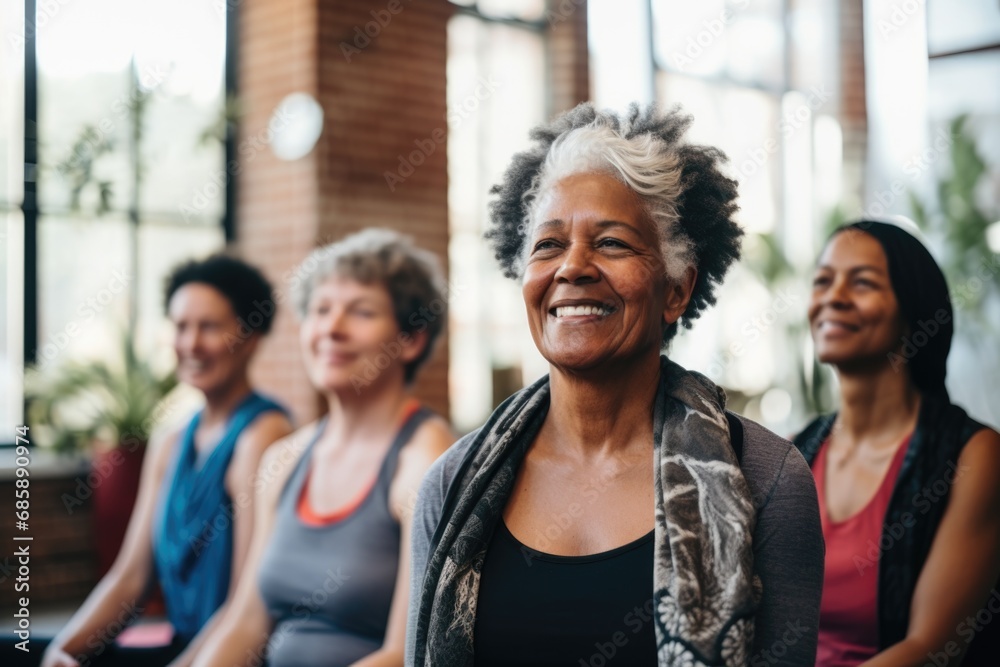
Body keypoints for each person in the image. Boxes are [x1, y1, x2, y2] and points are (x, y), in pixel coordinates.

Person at [406, 103, 824, 667]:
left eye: (611, 243)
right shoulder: (453, 485)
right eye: (548, 245)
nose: (571, 267)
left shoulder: (766, 480)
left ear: (676, 290)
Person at [191, 229, 454, 667]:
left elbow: (407, 652)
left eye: (361, 312)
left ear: (412, 339)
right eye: (320, 310)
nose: (331, 328)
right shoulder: (284, 458)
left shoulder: (427, 461)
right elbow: (246, 622)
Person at [40, 255, 294, 667]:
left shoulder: (262, 436)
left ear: (250, 336)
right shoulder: (170, 441)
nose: (190, 344)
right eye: (180, 326)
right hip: (183, 644)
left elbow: (245, 607)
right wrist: (61, 651)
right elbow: (130, 579)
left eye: (209, 327)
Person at [793, 220, 1000, 667]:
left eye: (863, 282)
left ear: (913, 312)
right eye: (823, 281)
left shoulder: (973, 456)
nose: (834, 297)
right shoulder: (791, 455)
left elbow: (931, 649)